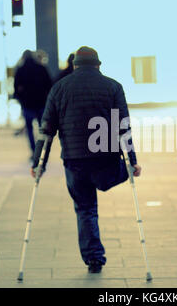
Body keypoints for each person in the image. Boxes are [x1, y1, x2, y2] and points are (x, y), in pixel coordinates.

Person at [30, 46, 141, 274]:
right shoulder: (113, 87)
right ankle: (108, 179)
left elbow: (46, 130)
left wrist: (38, 163)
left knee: (85, 209)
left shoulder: (59, 88)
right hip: (106, 160)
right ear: (99, 65)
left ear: (74, 65)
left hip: (75, 159)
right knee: (111, 176)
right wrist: (132, 161)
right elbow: (124, 127)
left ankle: (94, 259)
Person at [14, 50, 52, 159]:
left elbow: (16, 89)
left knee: (29, 130)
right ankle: (42, 151)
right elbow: (49, 85)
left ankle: (34, 151)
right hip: (41, 104)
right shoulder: (42, 68)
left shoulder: (20, 70)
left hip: (27, 105)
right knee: (42, 129)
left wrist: (21, 100)